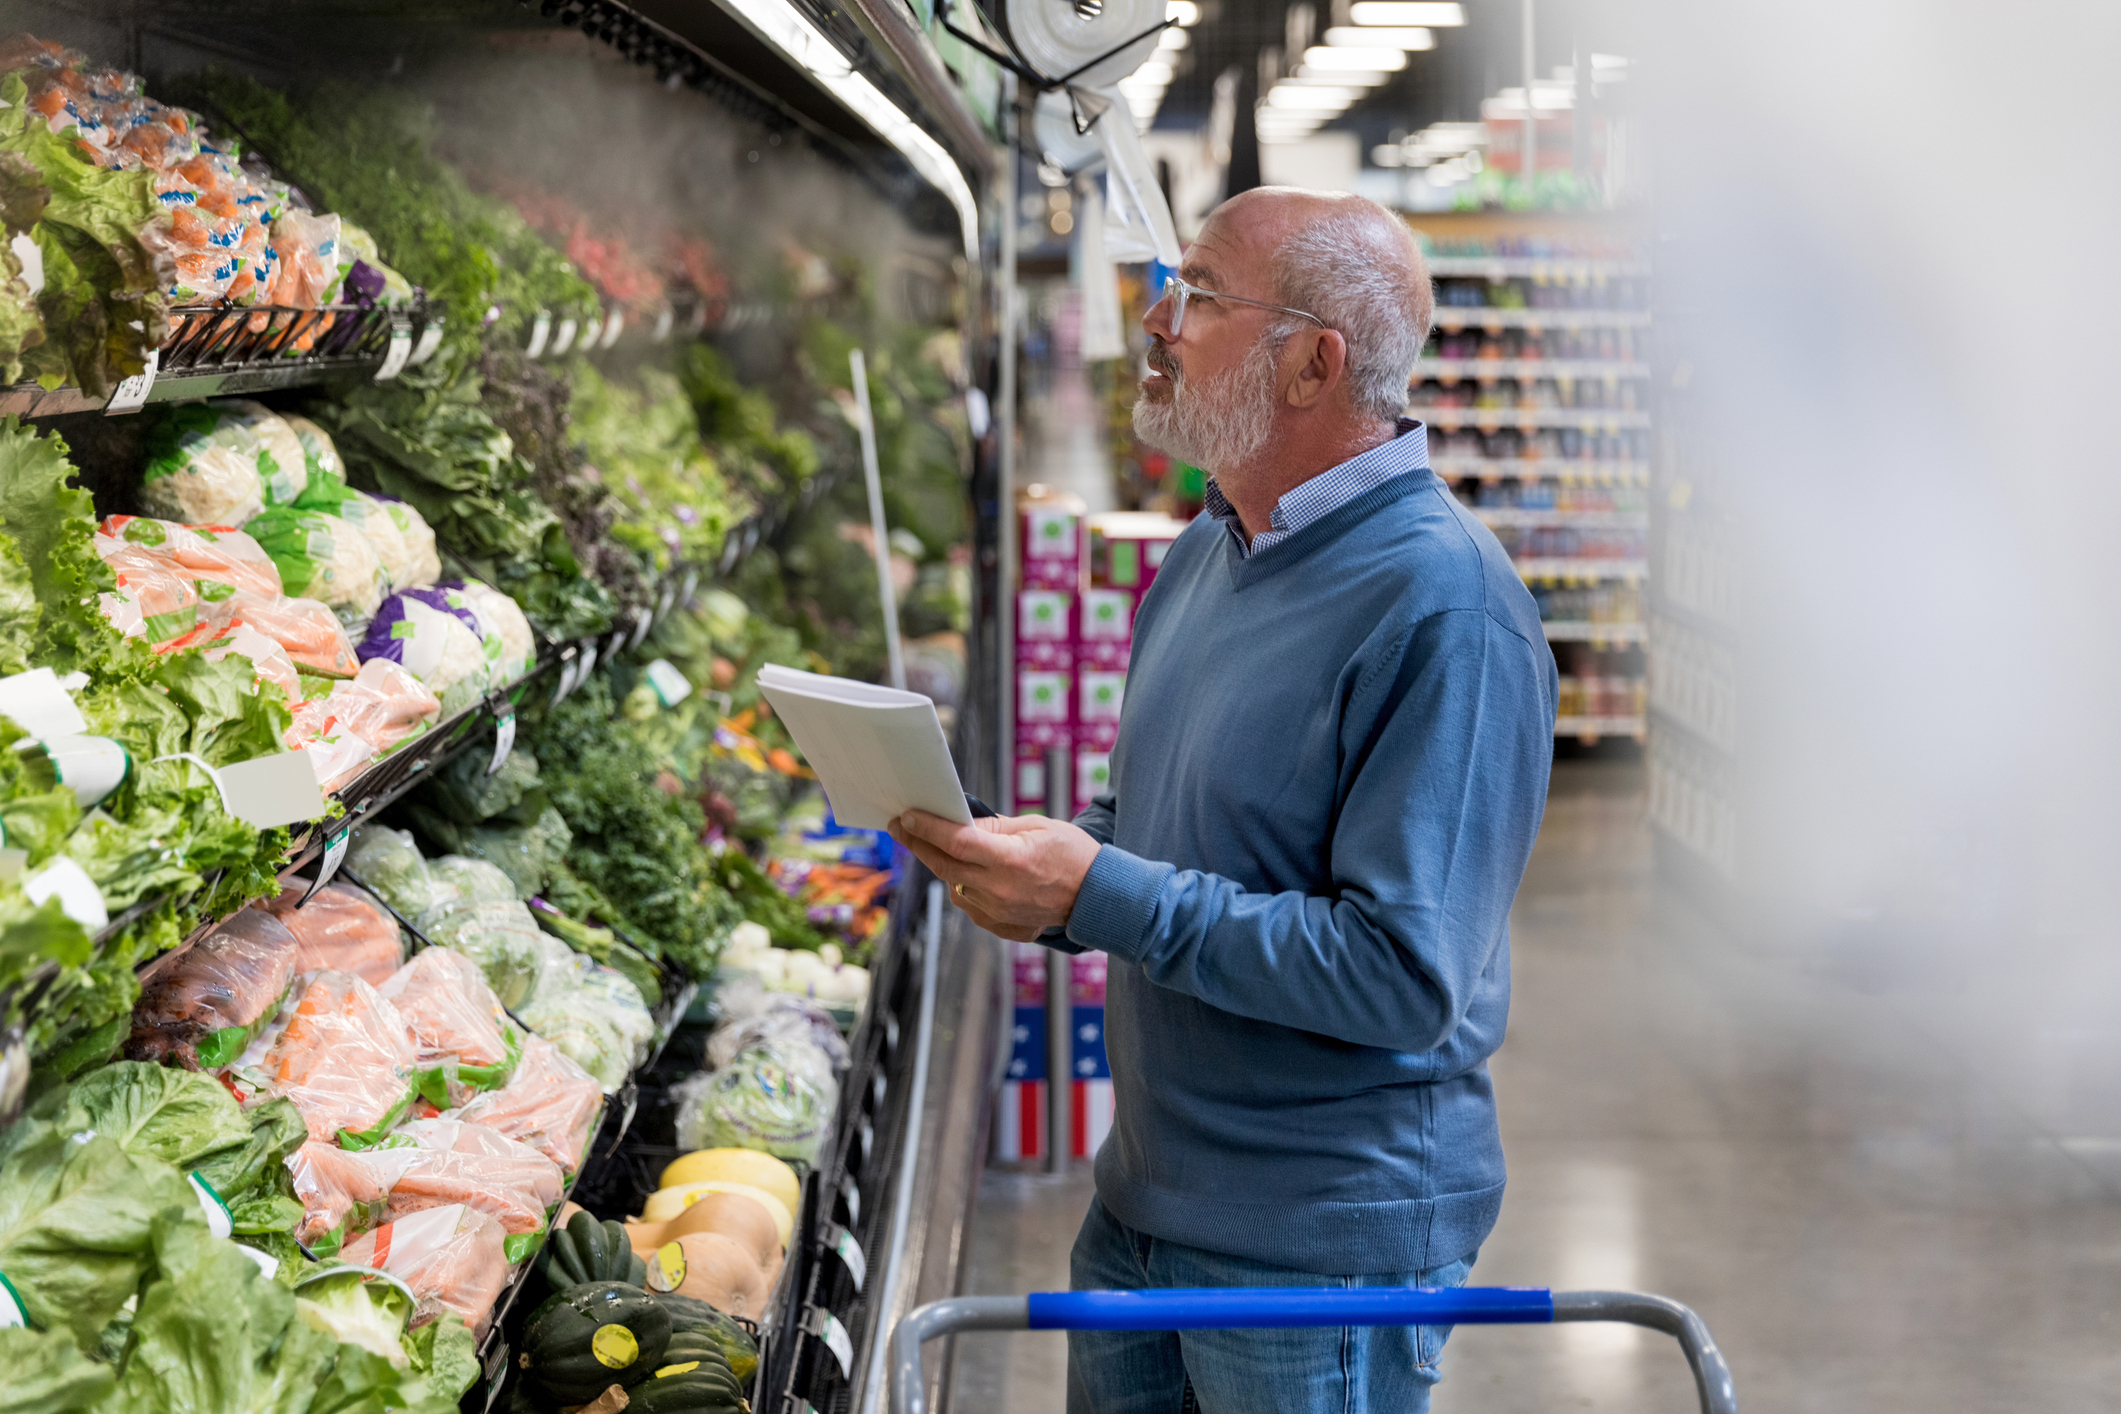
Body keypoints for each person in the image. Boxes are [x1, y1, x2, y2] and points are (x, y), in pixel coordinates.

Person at [889, 187, 1557, 1414]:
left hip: (1318, 1255)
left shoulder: (1447, 610)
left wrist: (1105, 892)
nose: (1156, 321)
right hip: (1142, 1204)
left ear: (1313, 363)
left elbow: (1404, 977)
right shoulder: (1209, 550)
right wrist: (1047, 873)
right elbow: (1154, 834)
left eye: (1196, 294)